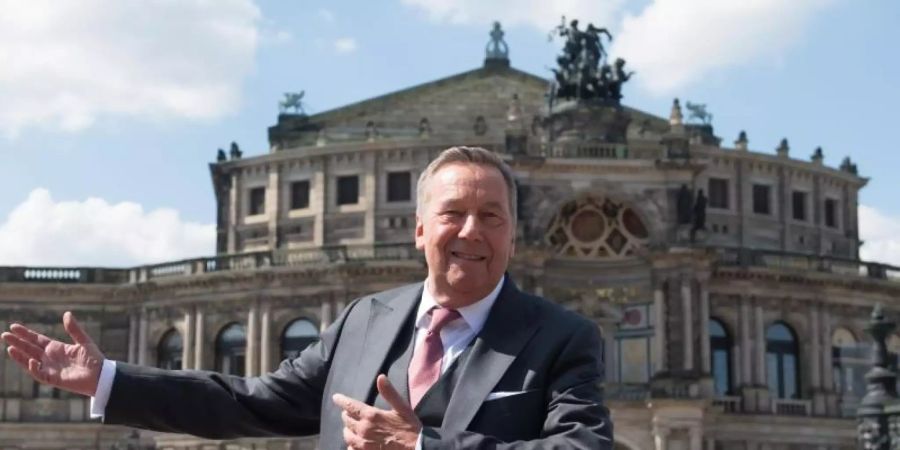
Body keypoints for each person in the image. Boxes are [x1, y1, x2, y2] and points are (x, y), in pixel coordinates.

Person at [2, 146, 613, 449]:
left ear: (514, 232)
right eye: (453, 213)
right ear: (420, 228)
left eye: (492, 216)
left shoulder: (561, 336)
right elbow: (251, 402)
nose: (472, 232)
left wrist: (422, 445)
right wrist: (107, 380)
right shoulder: (364, 320)